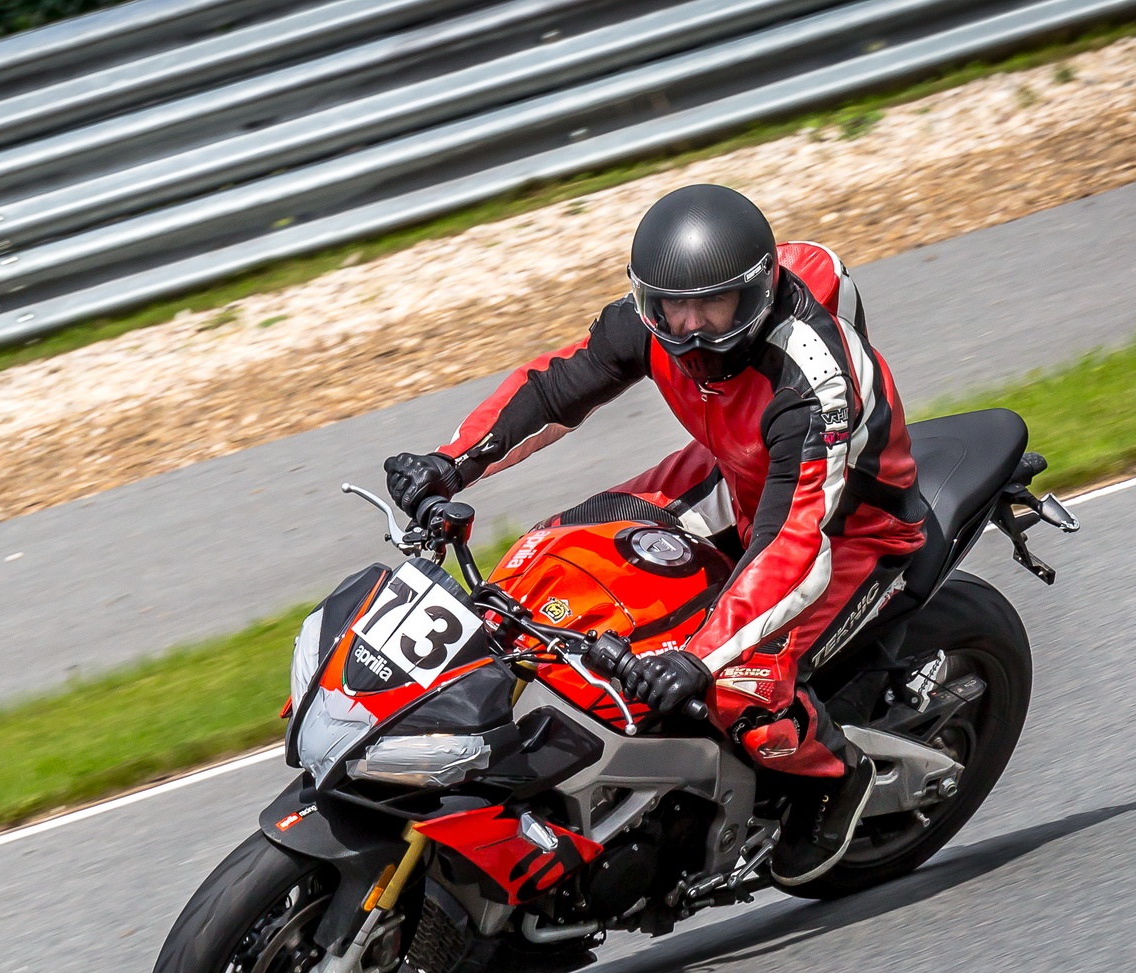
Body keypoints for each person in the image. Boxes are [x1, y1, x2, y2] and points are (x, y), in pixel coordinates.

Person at [384, 184, 925, 887]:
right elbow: (553, 388)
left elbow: (794, 543)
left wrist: (697, 657)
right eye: (674, 306)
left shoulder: (808, 382)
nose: (690, 328)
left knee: (737, 683)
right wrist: (449, 463)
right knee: (549, 556)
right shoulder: (651, 318)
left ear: (755, 294)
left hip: (847, 524)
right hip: (736, 474)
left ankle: (837, 778)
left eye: (712, 305)